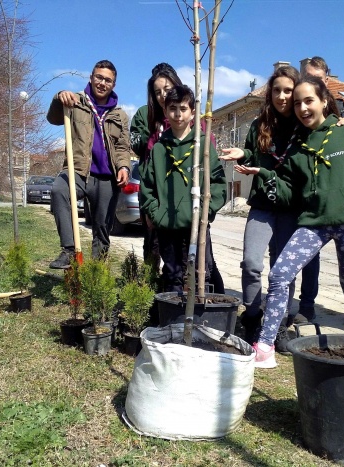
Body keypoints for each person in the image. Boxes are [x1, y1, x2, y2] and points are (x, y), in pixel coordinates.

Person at [249, 76, 344, 368]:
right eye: (297, 103)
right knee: (279, 275)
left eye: (309, 100)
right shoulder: (298, 147)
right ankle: (265, 347)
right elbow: (290, 189)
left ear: (324, 101)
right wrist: (265, 175)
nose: (302, 107)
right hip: (313, 223)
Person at [220, 65, 318, 353]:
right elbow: (253, 151)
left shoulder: (304, 125)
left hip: (291, 207)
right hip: (262, 204)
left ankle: (279, 325)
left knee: (283, 270)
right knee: (251, 263)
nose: (283, 96)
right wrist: (244, 152)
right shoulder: (260, 123)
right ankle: (252, 316)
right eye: (277, 90)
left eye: (289, 90)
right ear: (270, 93)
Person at [139, 85, 227, 293]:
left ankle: (197, 320)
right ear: (166, 112)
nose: (178, 114)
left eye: (183, 108)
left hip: (197, 225)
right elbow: (147, 186)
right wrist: (156, 214)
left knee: (200, 274)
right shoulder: (159, 148)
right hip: (167, 226)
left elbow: (218, 184)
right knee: (172, 274)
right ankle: (175, 323)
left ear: (192, 112)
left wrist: (208, 210)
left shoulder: (203, 146)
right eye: (173, 108)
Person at [46, 60, 133, 268]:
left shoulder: (120, 115)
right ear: (92, 78)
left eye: (108, 80)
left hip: (106, 178)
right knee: (59, 190)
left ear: (114, 84)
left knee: (102, 228)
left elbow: (122, 147)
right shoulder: (75, 102)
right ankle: (68, 250)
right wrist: (59, 98)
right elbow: (53, 118)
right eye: (99, 77)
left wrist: (124, 167)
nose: (102, 83)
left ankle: (97, 271)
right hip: (79, 172)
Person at [130, 63, 183, 269]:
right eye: (157, 92)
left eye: (167, 90)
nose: (162, 96)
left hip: (179, 190)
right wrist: (154, 132)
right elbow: (136, 144)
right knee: (152, 243)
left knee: (179, 247)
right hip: (152, 191)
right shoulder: (145, 114)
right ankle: (150, 290)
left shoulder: (185, 114)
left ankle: (176, 287)